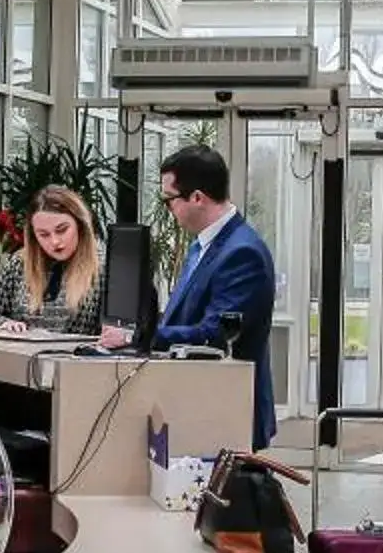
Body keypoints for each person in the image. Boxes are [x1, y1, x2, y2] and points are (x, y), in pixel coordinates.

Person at [102, 144, 277, 449]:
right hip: (194, 403)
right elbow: (184, 316)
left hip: (224, 412)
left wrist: (139, 337)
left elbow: (215, 335)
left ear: (197, 198)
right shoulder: (203, 244)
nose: (169, 210)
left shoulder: (242, 252)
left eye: (169, 201)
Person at [0, 186, 108, 336]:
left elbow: (115, 330)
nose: (55, 242)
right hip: (20, 355)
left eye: (62, 230)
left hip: (73, 356)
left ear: (80, 225)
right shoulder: (20, 263)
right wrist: (4, 324)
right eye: (44, 234)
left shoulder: (104, 267)